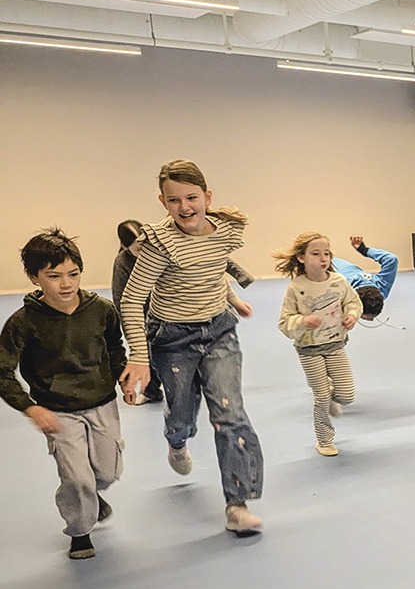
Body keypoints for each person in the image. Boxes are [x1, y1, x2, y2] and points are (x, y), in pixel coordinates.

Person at [117, 159, 265, 535]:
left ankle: (237, 504)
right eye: (174, 200)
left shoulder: (224, 231)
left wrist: (232, 298)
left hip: (218, 332)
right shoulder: (160, 245)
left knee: (230, 413)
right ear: (163, 202)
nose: (184, 207)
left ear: (207, 197)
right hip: (173, 338)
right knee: (182, 413)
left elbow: (211, 268)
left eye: (192, 197)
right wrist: (138, 355)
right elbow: (132, 300)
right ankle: (177, 440)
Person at [0, 229, 125, 560]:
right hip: (58, 410)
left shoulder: (102, 310)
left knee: (108, 473)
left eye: (73, 274)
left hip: (102, 402)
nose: (65, 284)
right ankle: (80, 531)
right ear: (34, 277)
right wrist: (30, 408)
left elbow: (114, 347)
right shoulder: (23, 323)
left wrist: (123, 377)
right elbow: (2, 372)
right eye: (53, 276)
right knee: (77, 478)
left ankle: (91, 497)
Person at [112, 219, 252, 405]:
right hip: (146, 315)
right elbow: (122, 298)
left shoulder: (162, 247)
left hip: (175, 310)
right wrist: (132, 329)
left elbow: (214, 265)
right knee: (147, 354)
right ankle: (151, 391)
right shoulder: (122, 263)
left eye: (145, 246)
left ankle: (200, 382)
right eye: (139, 250)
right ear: (124, 247)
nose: (144, 252)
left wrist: (237, 291)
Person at [275, 233, 363, 457]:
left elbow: (353, 303)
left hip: (335, 345)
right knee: (321, 397)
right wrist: (303, 321)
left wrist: (352, 315)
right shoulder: (296, 288)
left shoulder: (338, 281)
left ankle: (332, 395)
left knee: (347, 395)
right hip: (309, 350)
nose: (323, 258)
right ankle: (324, 440)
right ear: (301, 258)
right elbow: (284, 322)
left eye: (327, 253)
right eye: (315, 254)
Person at [332, 236, 399, 322]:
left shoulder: (381, 289)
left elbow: (391, 259)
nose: (371, 320)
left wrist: (363, 249)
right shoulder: (340, 290)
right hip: (326, 266)